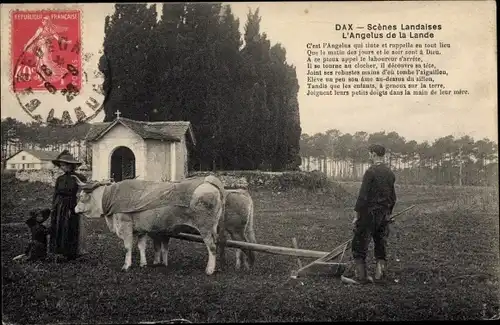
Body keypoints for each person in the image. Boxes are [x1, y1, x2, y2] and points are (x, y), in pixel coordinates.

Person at [342, 144, 397, 284]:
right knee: (380, 243)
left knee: (359, 243)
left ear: (373, 154)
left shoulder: (370, 172)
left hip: (369, 214)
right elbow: (393, 197)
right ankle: (380, 275)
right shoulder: (390, 173)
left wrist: (356, 216)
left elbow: (362, 197)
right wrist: (388, 214)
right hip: (383, 214)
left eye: (369, 154)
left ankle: (360, 277)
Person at [49, 150, 87, 261]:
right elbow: (56, 193)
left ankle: (71, 252)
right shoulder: (59, 179)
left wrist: (76, 207)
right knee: (59, 226)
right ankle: (59, 251)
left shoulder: (79, 177)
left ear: (71, 165)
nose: (62, 167)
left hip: (72, 204)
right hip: (59, 204)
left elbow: (82, 192)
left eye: (64, 165)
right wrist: (54, 206)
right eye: (61, 165)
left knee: (70, 226)